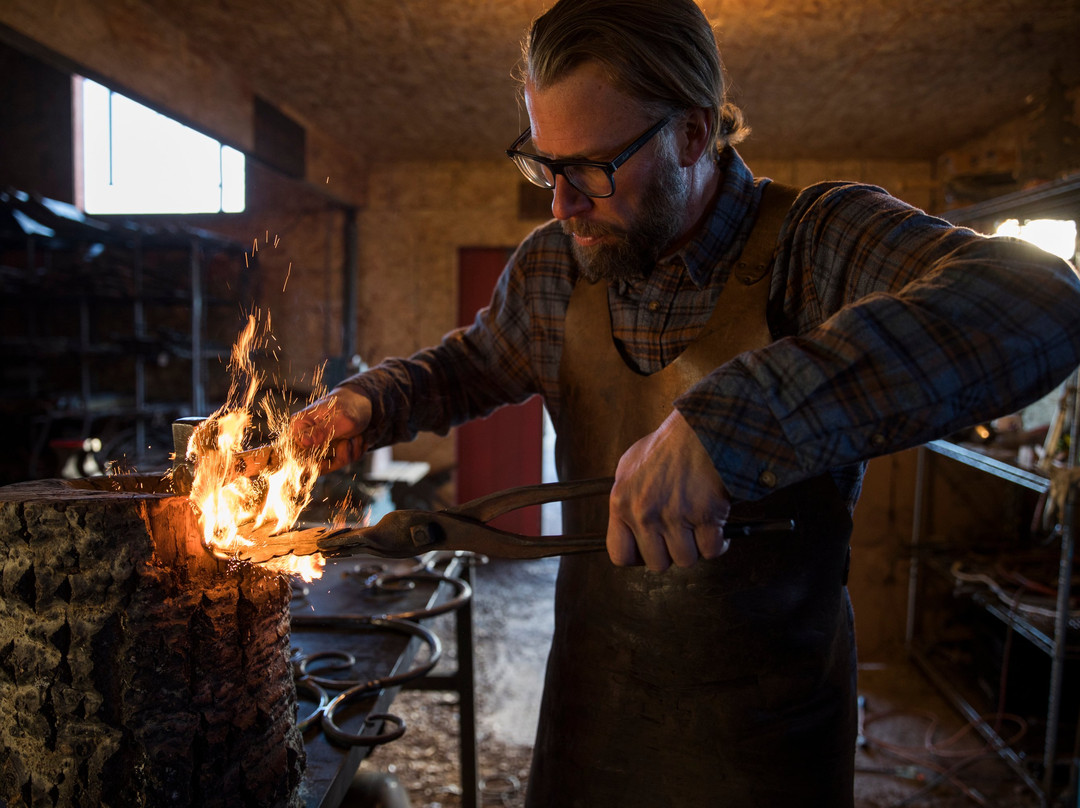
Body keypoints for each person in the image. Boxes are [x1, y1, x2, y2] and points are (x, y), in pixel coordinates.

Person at [293, 0, 1080, 804]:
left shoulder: (814, 244)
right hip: (587, 719)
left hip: (768, 747)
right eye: (544, 164)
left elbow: (1042, 303)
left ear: (695, 134)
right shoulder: (552, 266)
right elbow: (475, 362)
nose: (560, 204)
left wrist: (732, 422)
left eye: (593, 167)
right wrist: (370, 403)